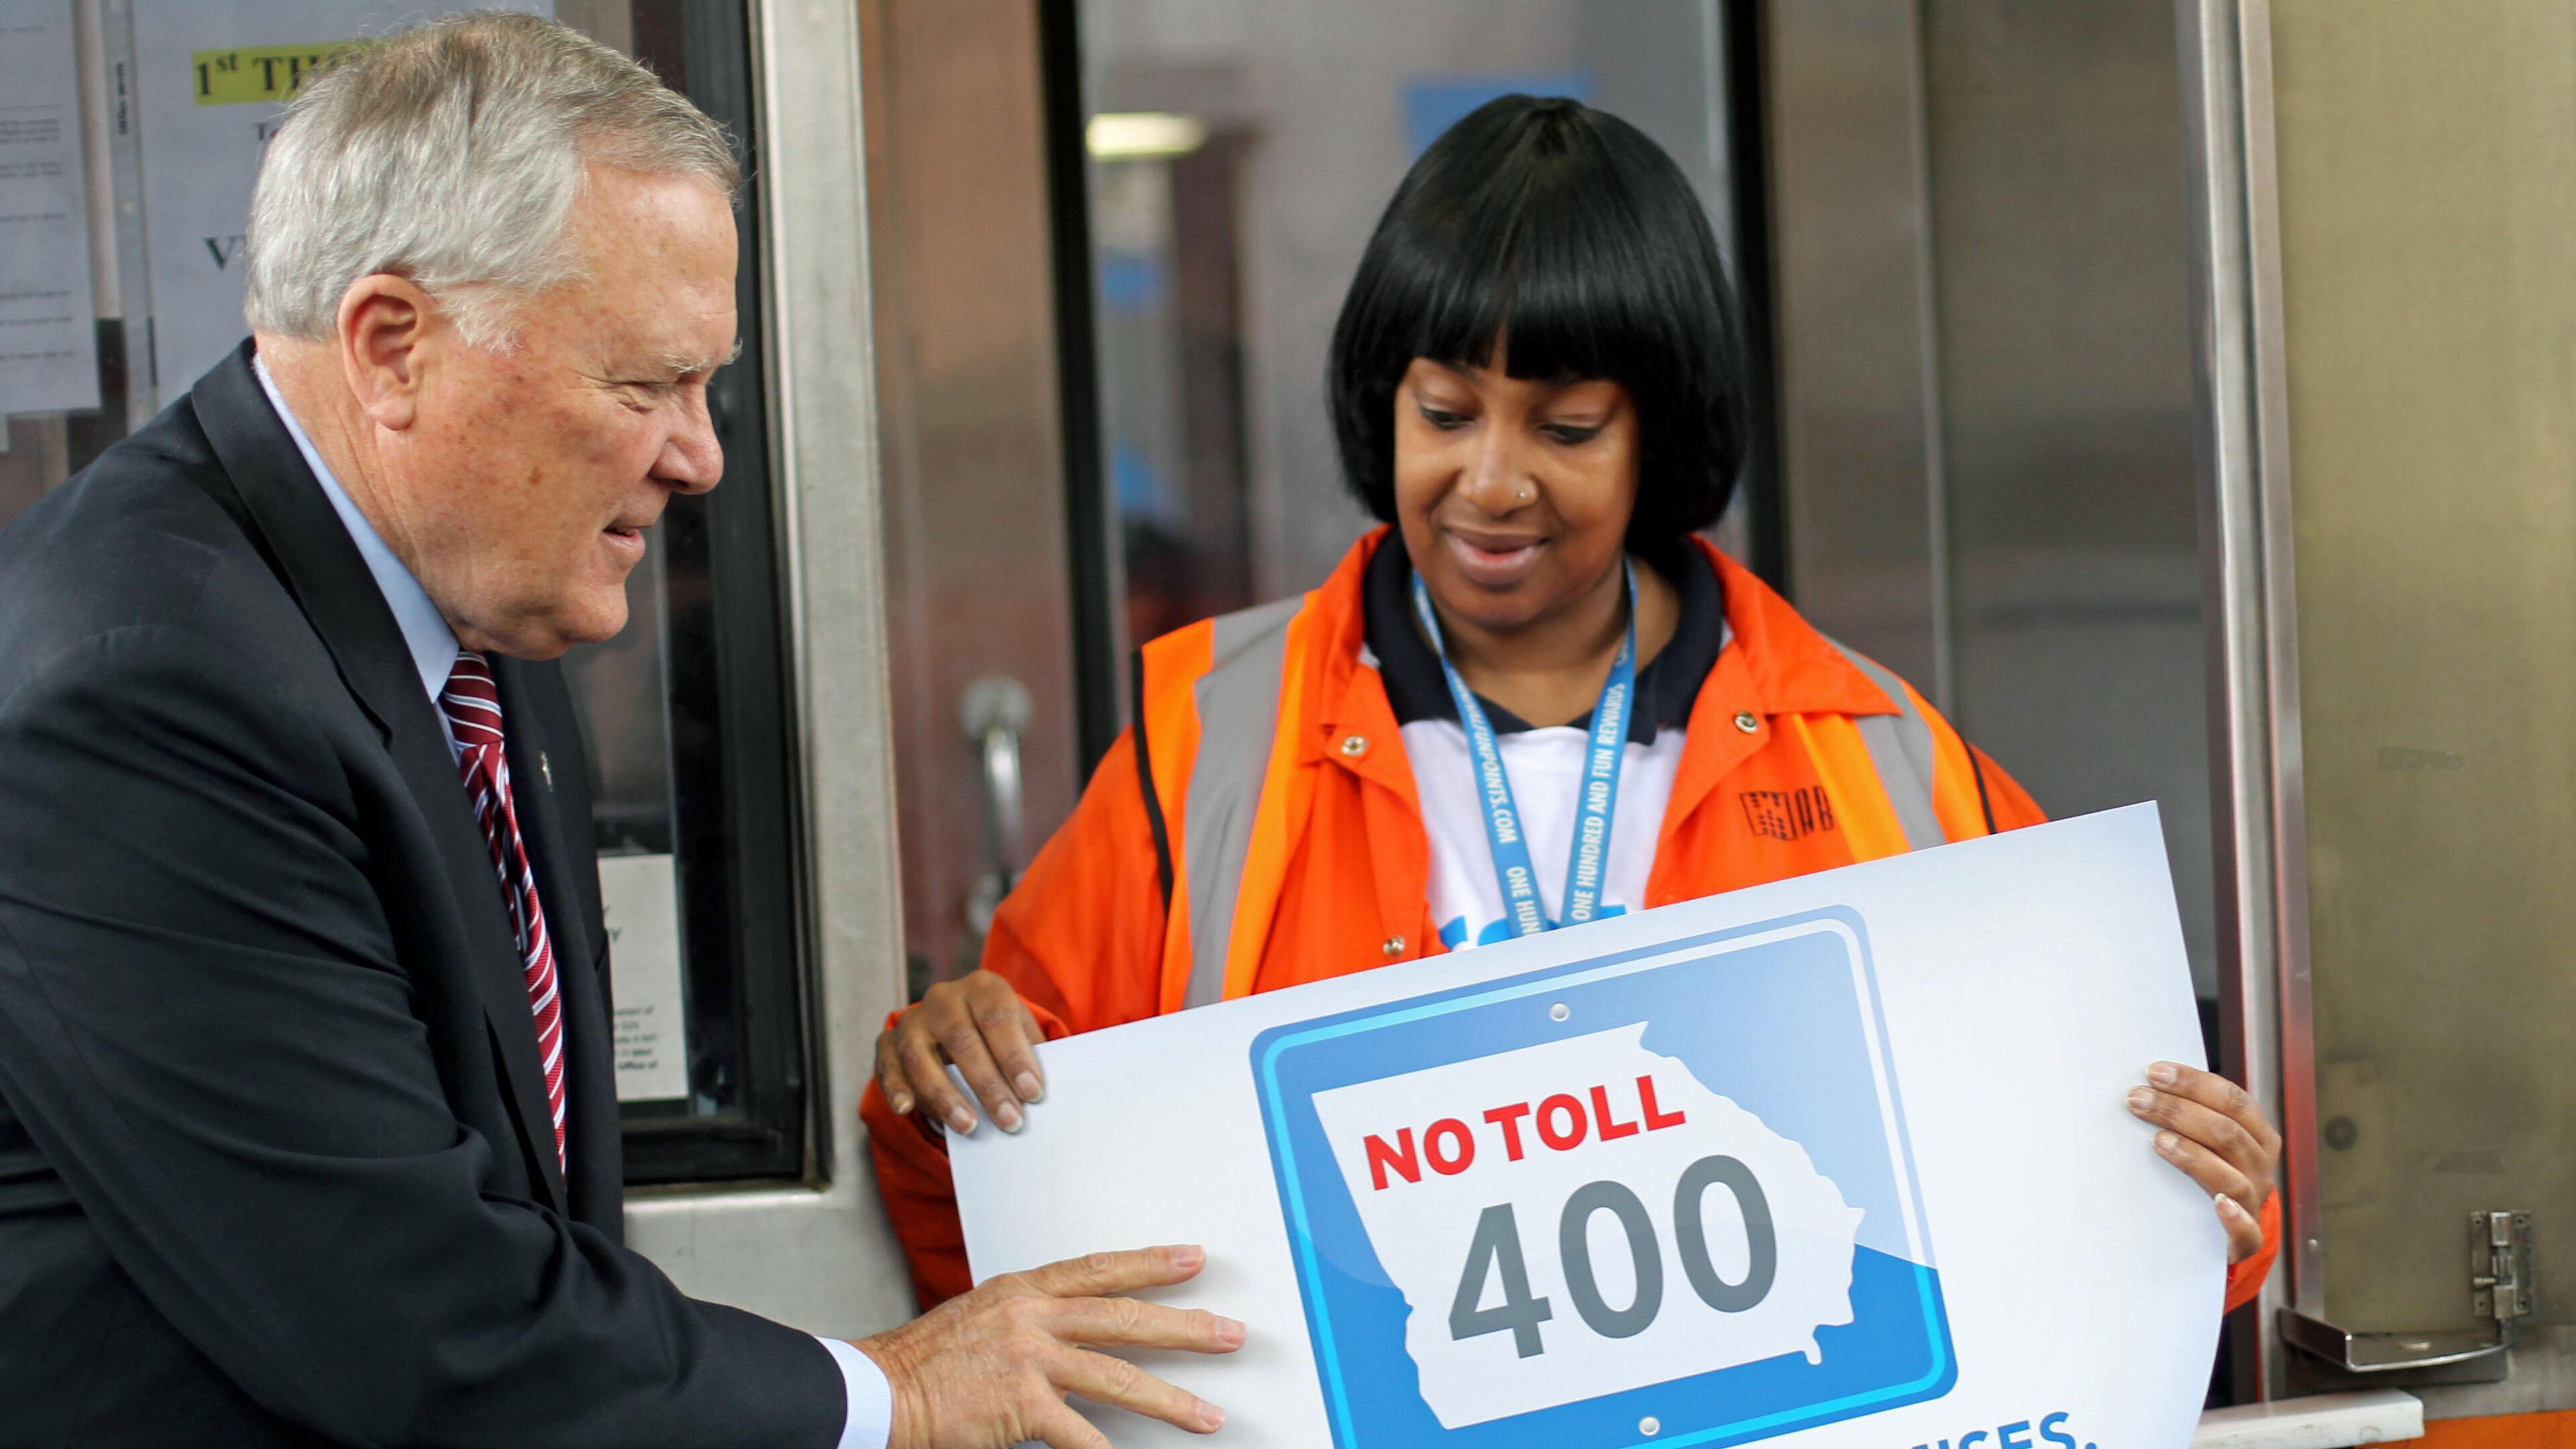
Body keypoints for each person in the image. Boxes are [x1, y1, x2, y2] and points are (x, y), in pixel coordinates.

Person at [0, 15, 1234, 1449]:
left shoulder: (470, 588)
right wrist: (896, 1392)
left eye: (708, 384)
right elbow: (416, 1321)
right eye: (643, 386)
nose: (699, 455)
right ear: (391, 348)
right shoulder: (146, 690)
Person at [867, 95, 2283, 1318]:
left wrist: (2217, 1205)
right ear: (1385, 403)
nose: (1491, 482)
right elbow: (996, 1228)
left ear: (1659, 432)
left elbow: (2110, 1231)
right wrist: (942, 1092)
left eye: (1565, 428)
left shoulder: (1877, 761)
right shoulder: (1212, 752)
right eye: (1444, 411)